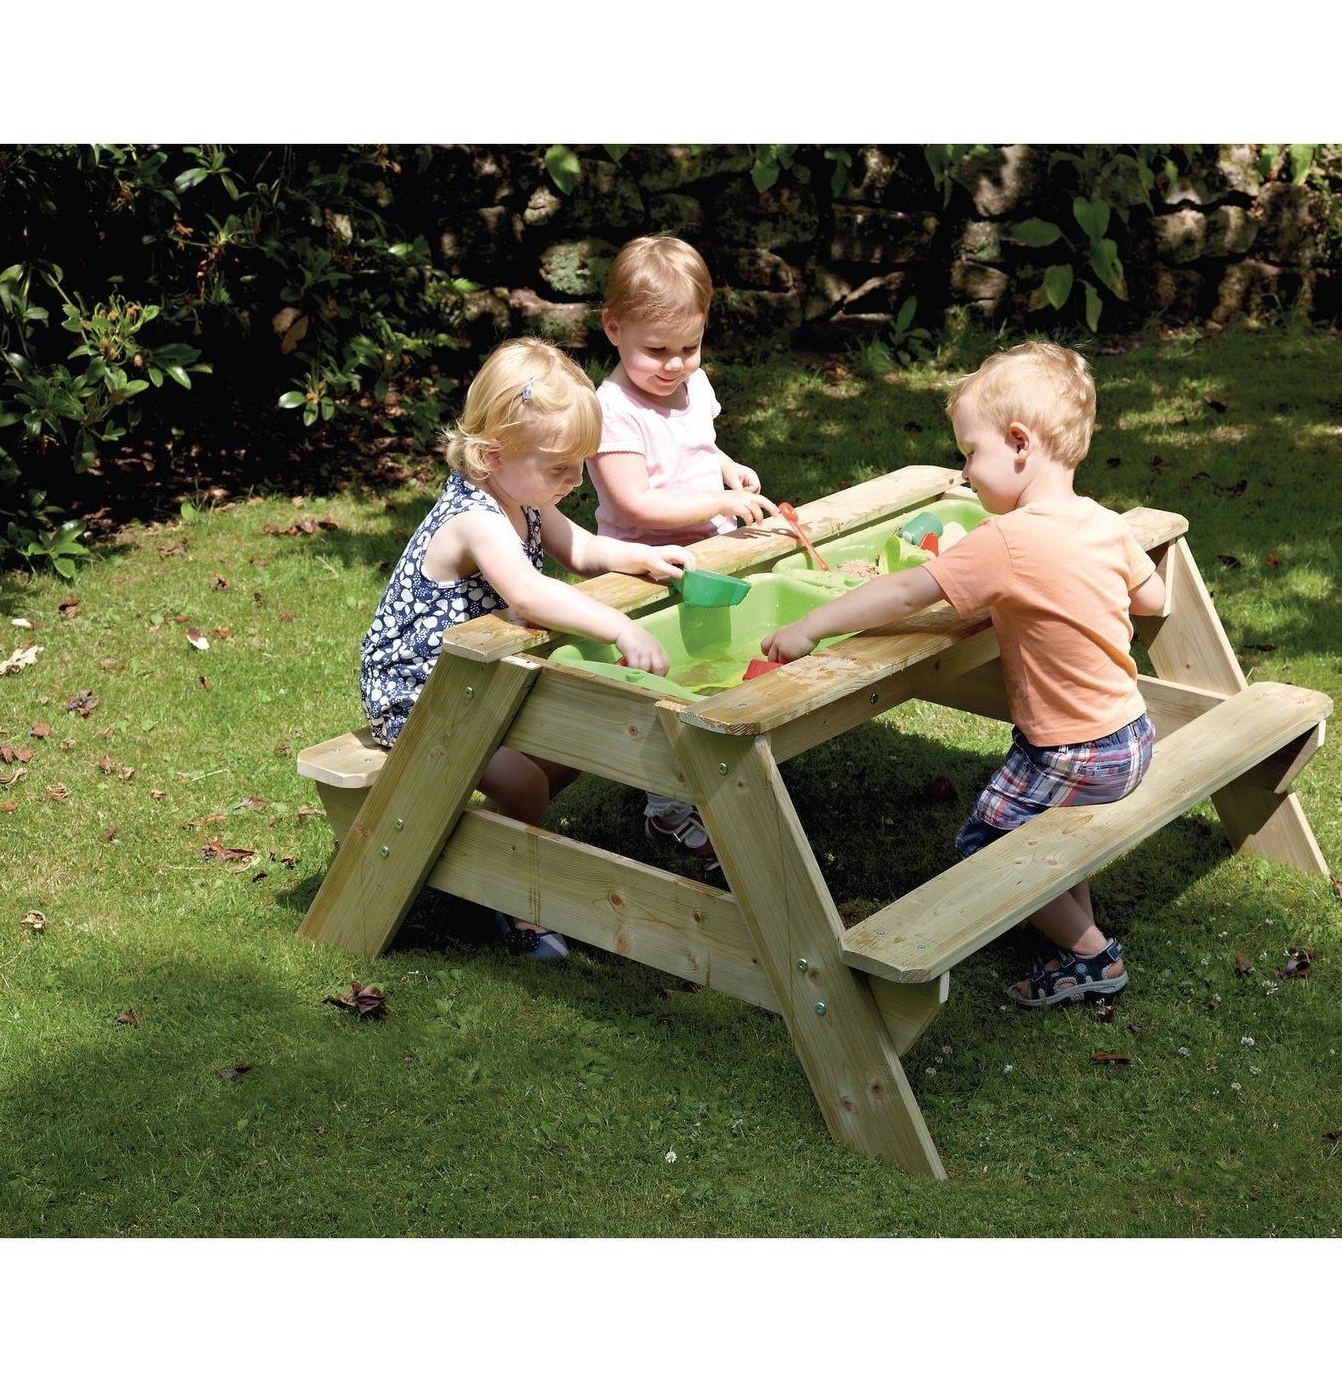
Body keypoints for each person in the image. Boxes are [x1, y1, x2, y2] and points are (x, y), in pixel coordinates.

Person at [762, 340, 1167, 1007]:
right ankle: (1069, 926)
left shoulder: (1004, 541)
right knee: (1046, 826)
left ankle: (1093, 957)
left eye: (970, 452)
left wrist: (812, 625)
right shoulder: (1101, 521)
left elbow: (902, 593)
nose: (966, 469)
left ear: (1018, 444)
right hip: (1128, 734)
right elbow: (1153, 601)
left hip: (1074, 750)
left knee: (989, 842)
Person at [360, 336, 696, 959]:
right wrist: (619, 627)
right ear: (492, 454)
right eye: (560, 467)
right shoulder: (475, 518)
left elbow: (585, 551)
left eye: (581, 465)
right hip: (419, 694)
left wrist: (642, 556)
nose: (575, 481)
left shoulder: (526, 498)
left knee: (569, 750)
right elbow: (530, 592)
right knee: (526, 782)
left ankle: (480, 849)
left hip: (478, 681)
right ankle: (513, 903)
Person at [587, 234, 776, 864]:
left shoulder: (693, 388)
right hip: (644, 571)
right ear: (614, 329)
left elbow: (696, 446)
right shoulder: (612, 411)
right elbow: (637, 503)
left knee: (713, 669)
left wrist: (727, 467)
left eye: (689, 348)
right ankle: (666, 810)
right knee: (659, 690)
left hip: (705, 557)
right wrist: (722, 506)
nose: (673, 365)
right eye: (657, 351)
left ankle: (715, 777)